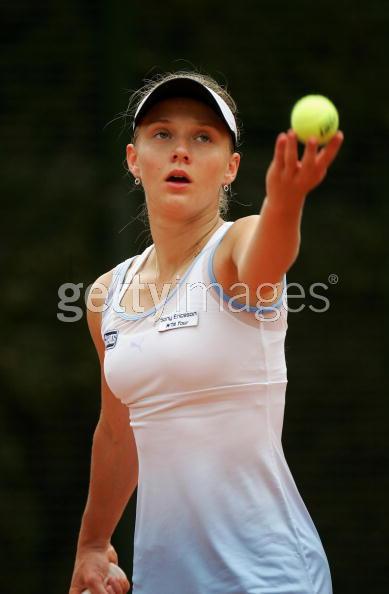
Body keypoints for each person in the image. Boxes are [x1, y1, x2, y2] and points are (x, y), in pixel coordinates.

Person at [69, 71, 343, 594]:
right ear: (133, 158)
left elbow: (268, 254)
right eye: (162, 134)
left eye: (203, 138)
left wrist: (286, 203)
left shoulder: (235, 249)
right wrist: (90, 544)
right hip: (163, 582)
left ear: (230, 167)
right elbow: (116, 429)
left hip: (271, 580)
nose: (181, 152)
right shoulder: (106, 296)